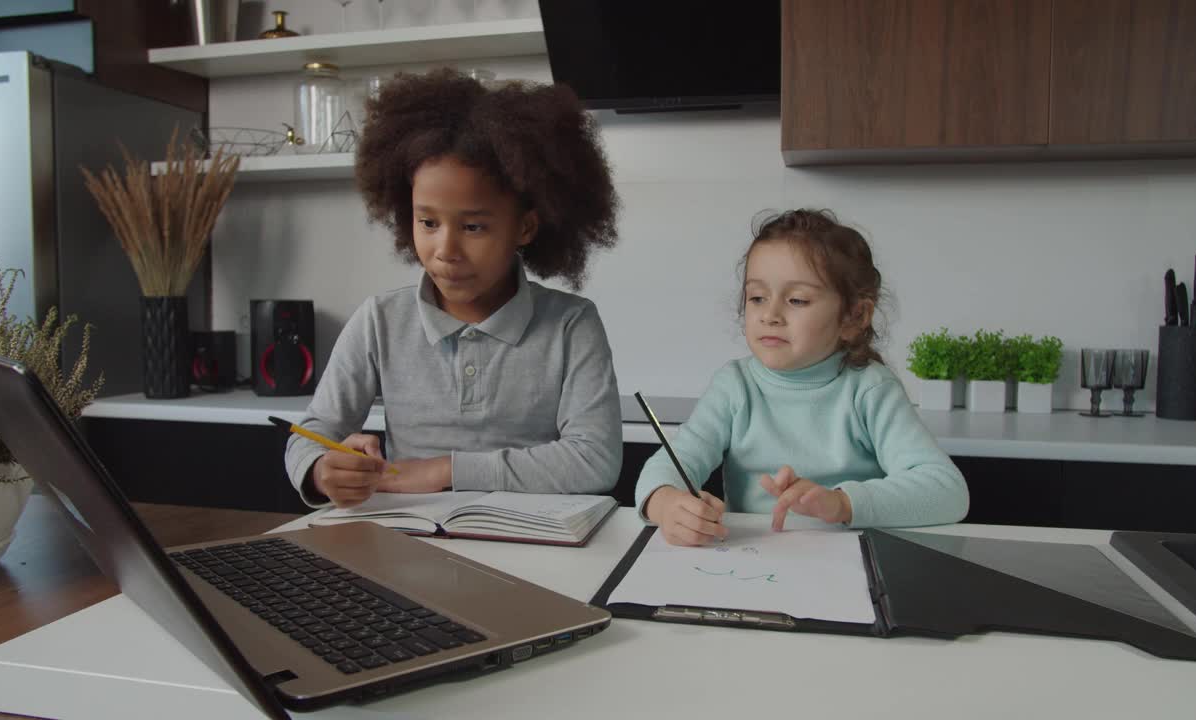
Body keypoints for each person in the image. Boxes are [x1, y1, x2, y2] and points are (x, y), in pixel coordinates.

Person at [285, 68, 623, 508]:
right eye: (428, 222)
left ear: (525, 226)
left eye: (474, 226)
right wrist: (321, 470)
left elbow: (595, 460)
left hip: (533, 542)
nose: (446, 249)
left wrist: (443, 471)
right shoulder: (380, 321)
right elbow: (309, 436)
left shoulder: (571, 324)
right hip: (410, 541)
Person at [635, 209, 968, 545]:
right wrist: (665, 504)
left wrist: (841, 503)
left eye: (797, 299)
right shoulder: (733, 386)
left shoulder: (870, 388)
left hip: (847, 565)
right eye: (757, 298)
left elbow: (947, 491)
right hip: (752, 562)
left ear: (854, 316)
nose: (771, 314)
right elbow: (671, 465)